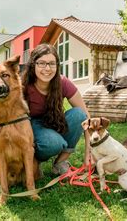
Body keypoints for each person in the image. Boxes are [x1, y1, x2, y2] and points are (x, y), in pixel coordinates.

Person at [22, 43, 90, 176]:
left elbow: (87, 118)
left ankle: (59, 163)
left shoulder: (62, 82)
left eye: (52, 64)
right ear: (33, 64)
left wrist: (89, 151)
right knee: (53, 143)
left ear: (57, 66)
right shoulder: (23, 84)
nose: (47, 68)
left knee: (79, 115)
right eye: (41, 63)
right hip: (31, 126)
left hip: (54, 121)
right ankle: (35, 162)